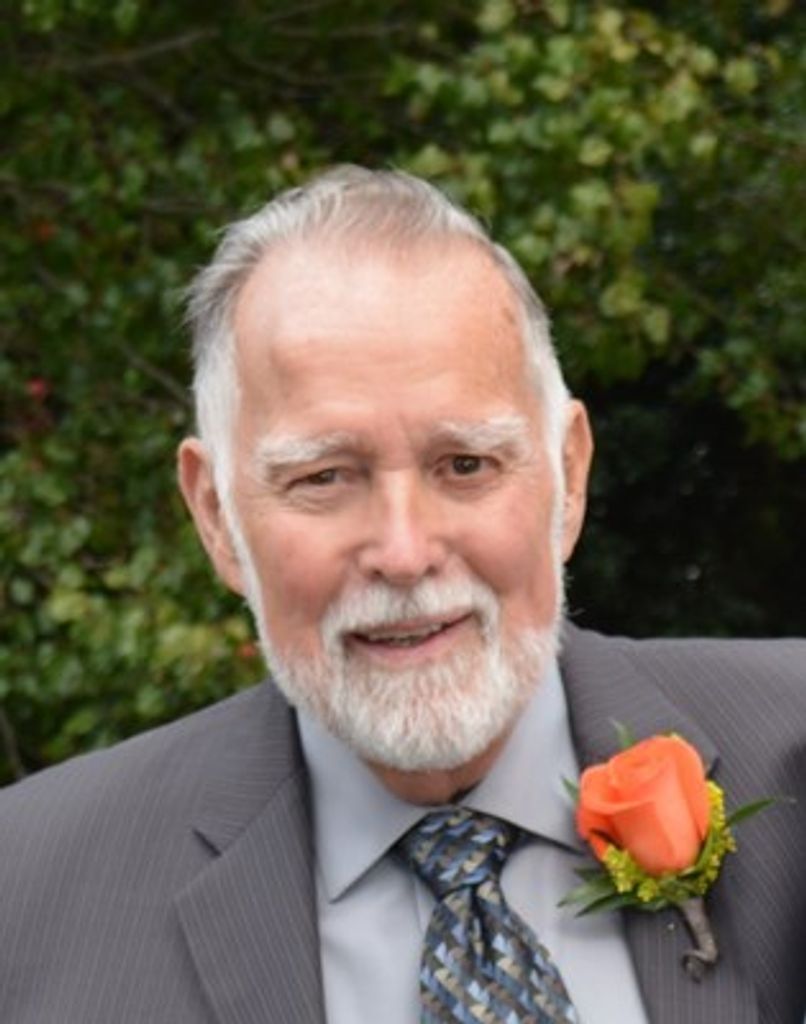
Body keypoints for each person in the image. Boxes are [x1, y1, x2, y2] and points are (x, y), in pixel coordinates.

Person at [0, 166, 803, 1024]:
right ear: (217, 517)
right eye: (323, 477)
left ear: (568, 477)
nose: (404, 552)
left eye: (466, 465)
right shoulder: (26, 891)